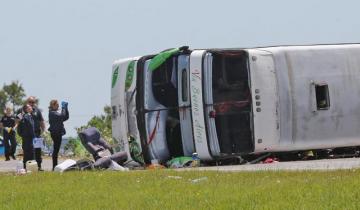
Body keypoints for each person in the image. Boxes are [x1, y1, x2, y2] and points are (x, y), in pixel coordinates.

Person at [17, 104, 41, 170]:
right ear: (27, 109)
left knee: (26, 154)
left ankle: (25, 168)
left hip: (25, 138)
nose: (31, 107)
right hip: (29, 138)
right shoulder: (27, 116)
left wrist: (22, 135)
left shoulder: (24, 116)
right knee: (31, 154)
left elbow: (19, 129)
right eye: (29, 107)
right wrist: (34, 137)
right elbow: (31, 127)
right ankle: (31, 168)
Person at [48, 100, 69, 170]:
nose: (58, 106)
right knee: (56, 150)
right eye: (57, 105)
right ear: (53, 105)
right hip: (55, 133)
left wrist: (66, 108)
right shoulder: (52, 113)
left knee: (56, 150)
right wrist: (63, 108)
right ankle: (54, 166)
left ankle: (54, 166)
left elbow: (66, 117)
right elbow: (62, 115)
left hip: (58, 133)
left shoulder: (55, 113)